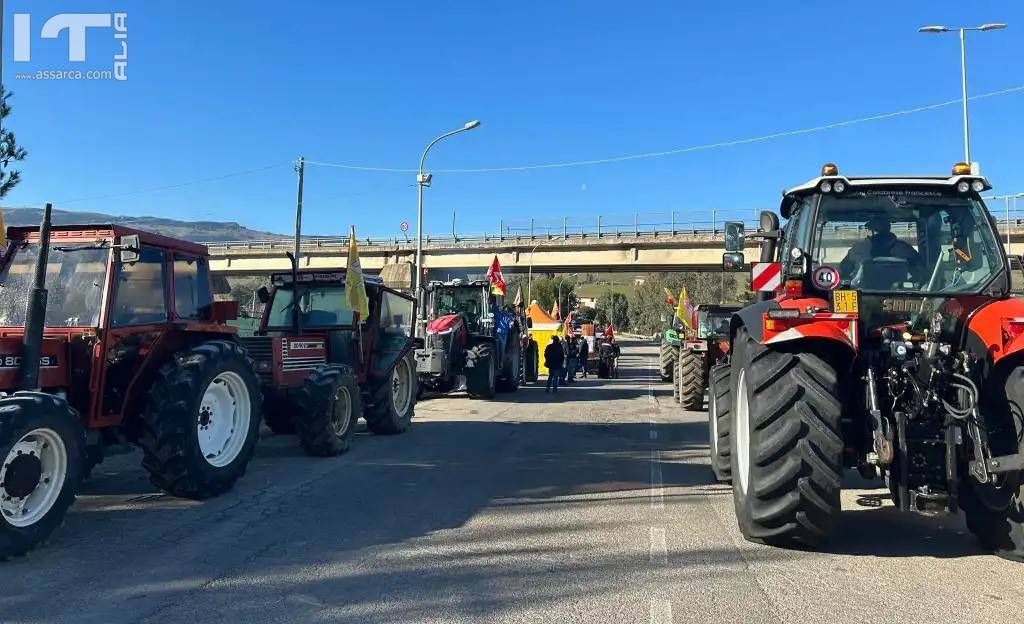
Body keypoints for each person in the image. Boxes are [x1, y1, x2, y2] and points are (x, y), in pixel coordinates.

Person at [839, 215, 924, 285]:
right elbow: (921, 272)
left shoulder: (858, 249)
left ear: (872, 231)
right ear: (888, 229)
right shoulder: (905, 249)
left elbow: (842, 272)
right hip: (900, 297)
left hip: (864, 296)